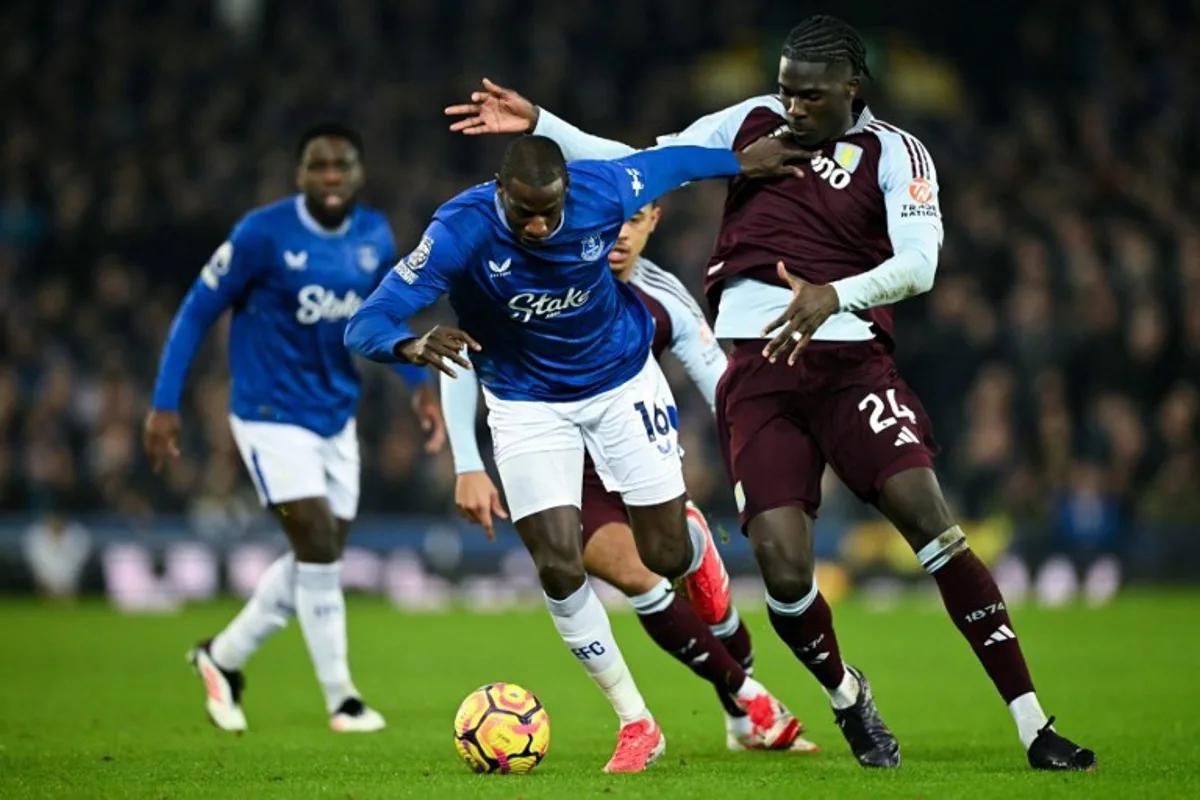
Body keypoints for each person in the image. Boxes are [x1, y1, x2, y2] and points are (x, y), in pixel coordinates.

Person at [442, 15, 1095, 772]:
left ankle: (1032, 723)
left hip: (852, 368)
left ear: (852, 89)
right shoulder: (749, 121)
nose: (792, 107)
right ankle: (848, 696)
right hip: (759, 375)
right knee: (784, 573)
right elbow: (649, 164)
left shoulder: (896, 154)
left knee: (932, 524)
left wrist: (835, 295)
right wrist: (545, 126)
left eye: (810, 96)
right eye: (786, 90)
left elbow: (921, 264)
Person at [344, 133, 809, 771]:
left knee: (665, 554)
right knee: (559, 567)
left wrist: (738, 161)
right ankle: (636, 721)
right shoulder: (459, 231)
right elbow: (366, 321)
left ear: (567, 191)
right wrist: (410, 345)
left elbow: (670, 165)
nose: (539, 224)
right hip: (527, 404)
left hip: (619, 382)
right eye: (524, 212)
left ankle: (693, 540)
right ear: (499, 193)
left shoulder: (602, 190)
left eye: (550, 210)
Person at [442, 199, 818, 753]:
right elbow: (464, 350)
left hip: (639, 455)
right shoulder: (538, 269)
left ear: (654, 221)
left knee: (701, 596)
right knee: (637, 577)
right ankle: (741, 700)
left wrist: (754, 460)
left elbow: (723, 386)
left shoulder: (665, 296)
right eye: (610, 222)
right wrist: (467, 462)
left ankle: (740, 719)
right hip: (569, 470)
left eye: (634, 223)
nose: (619, 236)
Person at [144, 123, 446, 734]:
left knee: (321, 552)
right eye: (319, 166)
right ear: (299, 174)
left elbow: (387, 315)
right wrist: (164, 402)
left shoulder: (374, 235)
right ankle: (343, 699)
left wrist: (419, 389)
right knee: (314, 542)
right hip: (268, 414)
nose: (331, 177)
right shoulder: (261, 234)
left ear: (360, 173)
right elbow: (197, 308)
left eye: (342, 166)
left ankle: (222, 657)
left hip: (336, 414)